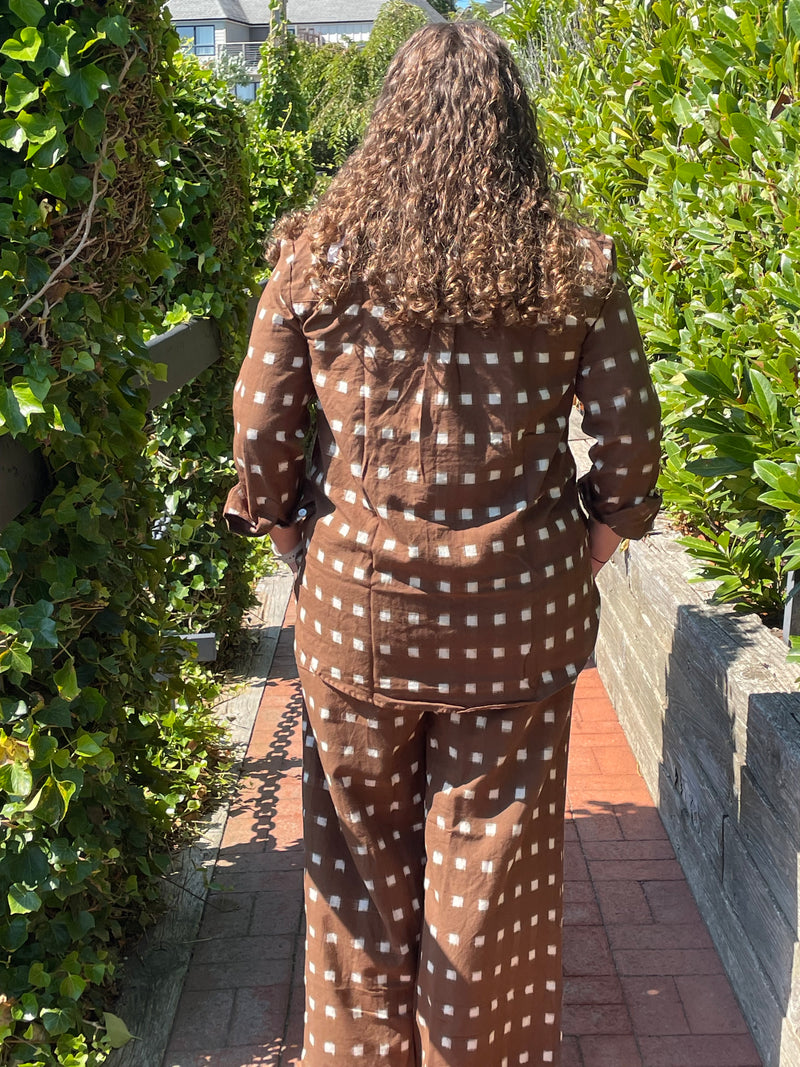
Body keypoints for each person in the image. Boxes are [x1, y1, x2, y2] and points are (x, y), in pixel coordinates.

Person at [225, 20, 661, 1067]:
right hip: (515, 621)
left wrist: (291, 535)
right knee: (488, 878)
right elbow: (631, 437)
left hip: (355, 613)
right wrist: (594, 539)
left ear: (389, 121)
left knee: (357, 875)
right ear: (512, 127)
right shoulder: (572, 263)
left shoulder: (315, 258)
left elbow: (259, 426)